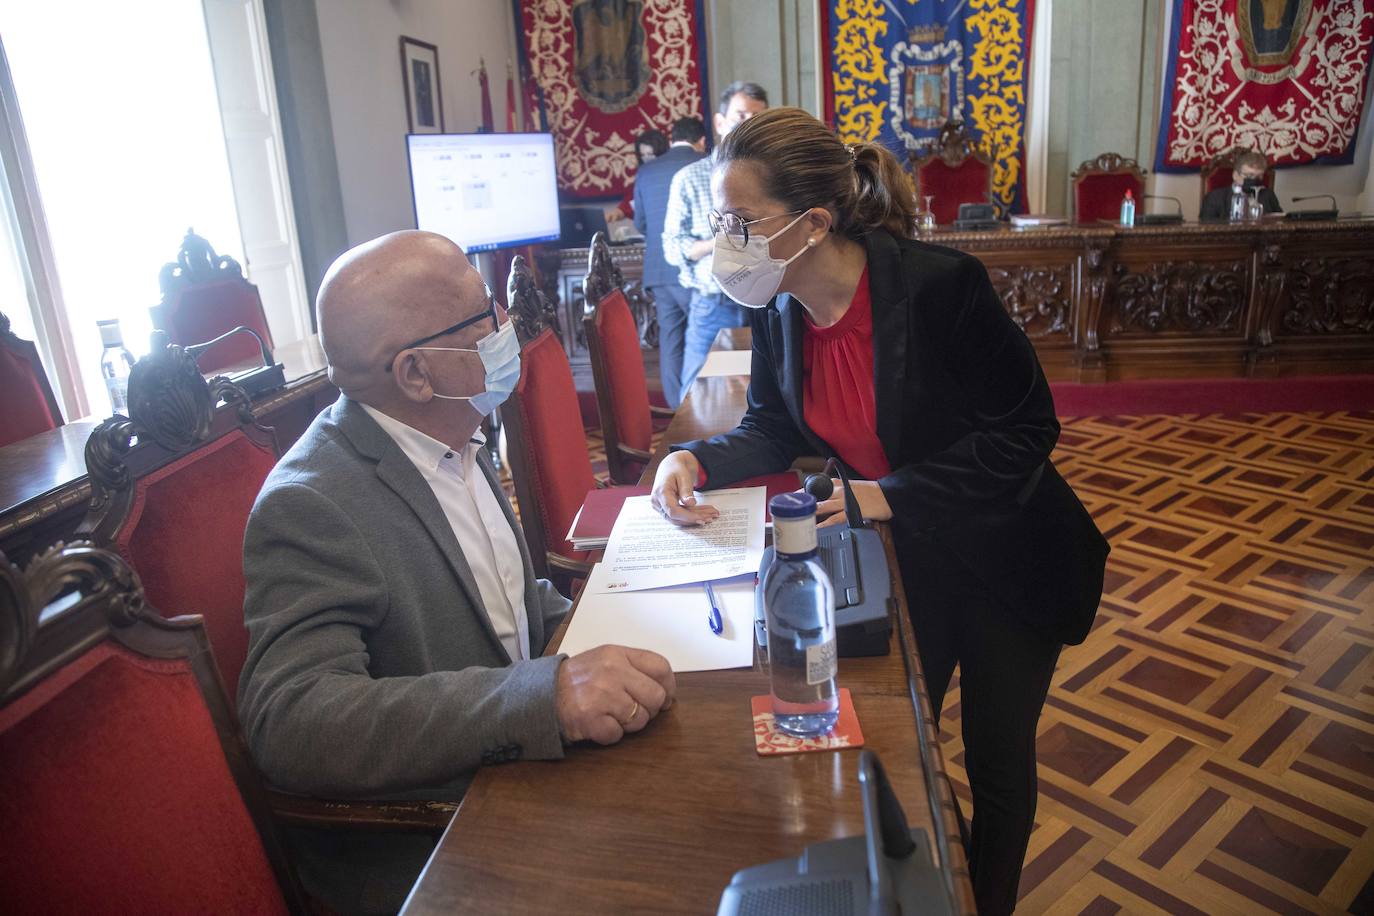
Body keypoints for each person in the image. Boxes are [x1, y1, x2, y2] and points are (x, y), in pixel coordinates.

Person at [650, 108, 1108, 916]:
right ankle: (912, 885)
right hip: (905, 561)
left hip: (1009, 557)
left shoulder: (940, 287)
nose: (722, 239)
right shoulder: (778, 300)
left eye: (737, 220)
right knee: (900, 746)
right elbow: (775, 424)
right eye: (720, 219)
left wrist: (880, 495)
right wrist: (693, 456)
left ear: (812, 223)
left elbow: (1028, 432)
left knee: (997, 764)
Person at [239, 231, 677, 914]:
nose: (508, 329)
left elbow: (499, 599)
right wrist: (544, 696)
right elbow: (291, 720)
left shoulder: (451, 431)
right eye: (487, 319)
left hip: (529, 778)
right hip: (438, 842)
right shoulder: (311, 503)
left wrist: (627, 622)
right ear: (416, 374)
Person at [663, 81, 768, 399]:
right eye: (740, 115)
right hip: (713, 304)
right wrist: (719, 241)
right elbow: (672, 246)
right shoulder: (689, 178)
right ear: (721, 122)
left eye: (756, 117)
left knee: (770, 395)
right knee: (695, 397)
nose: (748, 124)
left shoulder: (773, 178)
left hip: (766, 302)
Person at [633, 116, 707, 407]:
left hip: (658, 270)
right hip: (694, 268)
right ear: (701, 140)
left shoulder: (646, 171)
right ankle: (702, 407)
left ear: (672, 136)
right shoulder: (703, 165)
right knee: (704, 338)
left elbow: (640, 223)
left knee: (671, 342)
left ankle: (678, 408)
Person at [608, 127, 670, 224]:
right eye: (643, 155)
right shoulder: (644, 176)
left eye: (650, 154)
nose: (646, 159)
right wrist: (619, 212)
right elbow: (633, 200)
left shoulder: (672, 173)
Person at [1199, 150, 1282, 221]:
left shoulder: (1268, 195)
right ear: (1235, 175)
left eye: (1259, 176)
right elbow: (1207, 228)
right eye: (1249, 175)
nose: (1254, 180)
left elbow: (1280, 222)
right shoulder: (1215, 197)